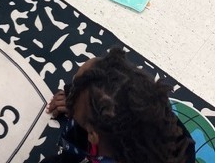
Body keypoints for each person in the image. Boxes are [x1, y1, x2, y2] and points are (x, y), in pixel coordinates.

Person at [44, 47, 195, 163]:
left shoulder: (82, 138)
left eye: (76, 87)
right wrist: (76, 100)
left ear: (93, 136)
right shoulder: (160, 120)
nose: (70, 90)